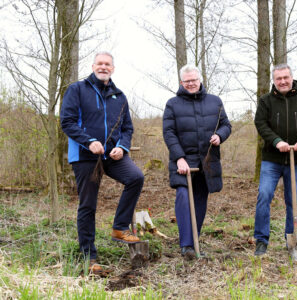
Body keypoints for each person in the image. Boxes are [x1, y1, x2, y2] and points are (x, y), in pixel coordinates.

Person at [60, 52, 144, 273]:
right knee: (88, 205)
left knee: (136, 177)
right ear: (93, 66)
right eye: (100, 64)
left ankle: (119, 228)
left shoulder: (120, 96)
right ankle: (89, 257)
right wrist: (88, 141)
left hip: (112, 156)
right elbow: (67, 122)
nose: (103, 67)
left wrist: (122, 147)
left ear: (113, 69)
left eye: (108, 64)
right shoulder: (77, 90)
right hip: (85, 155)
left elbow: (127, 128)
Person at [163, 64, 231, 260]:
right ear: (181, 83)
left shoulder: (215, 101)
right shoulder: (172, 104)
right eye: (187, 81)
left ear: (200, 80)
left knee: (200, 201)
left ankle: (194, 241)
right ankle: (186, 245)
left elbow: (226, 124)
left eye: (194, 80)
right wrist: (179, 158)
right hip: (183, 161)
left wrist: (220, 136)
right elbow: (169, 133)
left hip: (207, 161)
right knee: (183, 196)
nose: (191, 83)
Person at [253, 63, 297, 256]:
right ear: (274, 81)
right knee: (264, 196)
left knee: (293, 201)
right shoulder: (265, 101)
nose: (282, 81)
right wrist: (276, 141)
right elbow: (260, 123)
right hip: (272, 159)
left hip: (296, 158)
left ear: (292, 78)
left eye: (285, 77)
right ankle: (261, 240)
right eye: (278, 79)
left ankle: (292, 242)